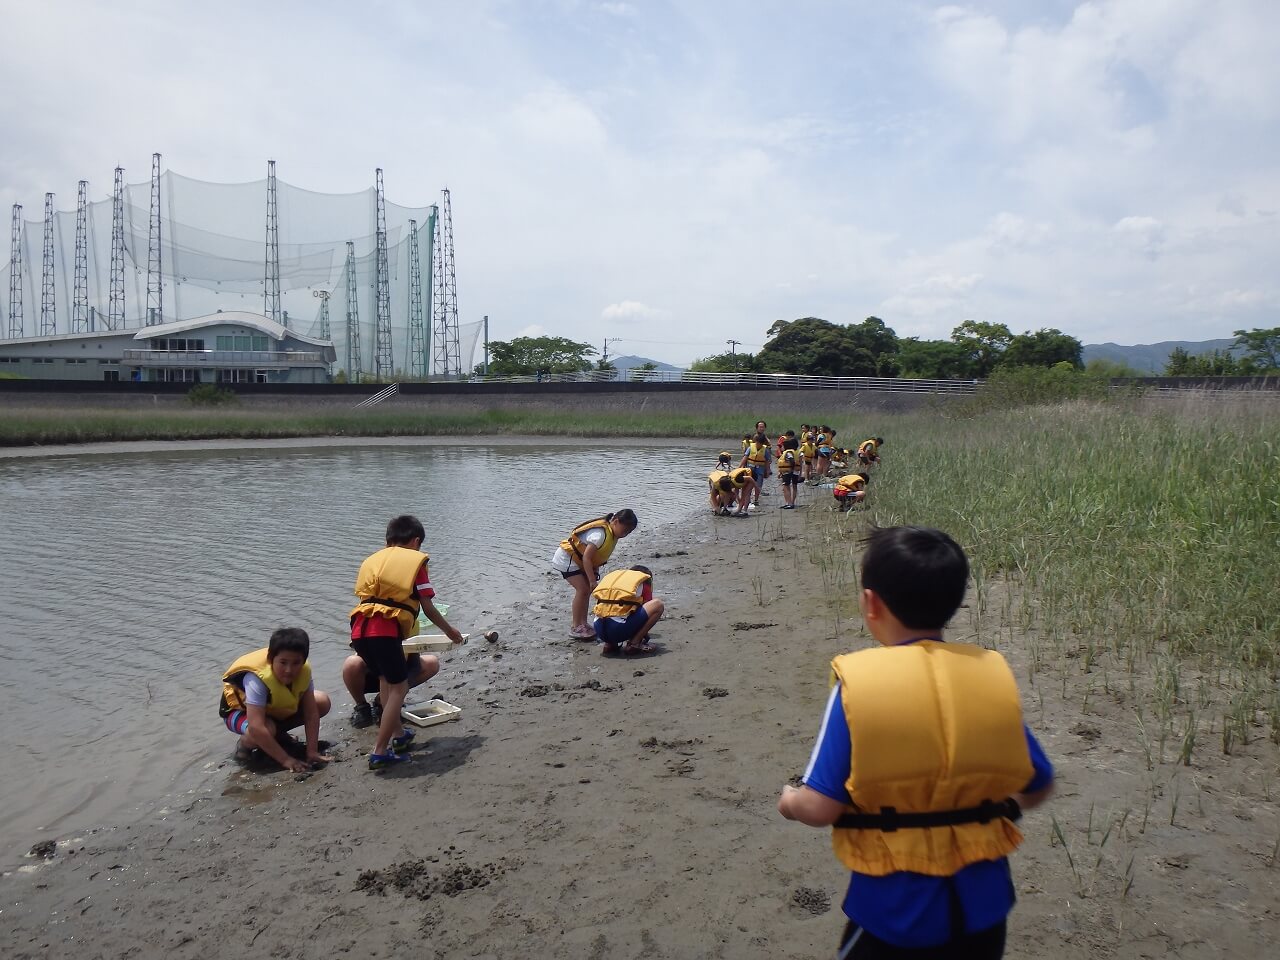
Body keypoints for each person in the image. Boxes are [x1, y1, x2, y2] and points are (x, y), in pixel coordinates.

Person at [777, 527, 1054, 958]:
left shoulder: (858, 688)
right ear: (954, 602)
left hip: (895, 914)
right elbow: (1038, 785)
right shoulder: (986, 677)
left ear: (871, 602)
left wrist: (789, 800)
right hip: (983, 910)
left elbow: (819, 807)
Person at [350, 514, 464, 770]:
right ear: (416, 541)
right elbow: (428, 608)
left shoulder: (372, 560)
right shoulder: (415, 563)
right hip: (384, 632)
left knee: (385, 681)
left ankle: (400, 737)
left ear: (387, 540)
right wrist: (450, 631)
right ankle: (379, 751)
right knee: (398, 689)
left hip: (358, 630)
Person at [219, 627, 332, 774]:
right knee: (266, 729)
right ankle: (244, 744)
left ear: (303, 661)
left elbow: (311, 714)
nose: (289, 670)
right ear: (272, 659)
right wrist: (286, 760)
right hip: (236, 713)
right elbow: (256, 727)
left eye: (296, 663)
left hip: (270, 711)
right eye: (283, 662)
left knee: (322, 702)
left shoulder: (304, 671)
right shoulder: (256, 679)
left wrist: (312, 751)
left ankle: (277, 736)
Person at [551, 510, 639, 639]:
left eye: (629, 532)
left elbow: (596, 557)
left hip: (579, 561)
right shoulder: (600, 535)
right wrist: (592, 580)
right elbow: (587, 558)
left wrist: (595, 572)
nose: (625, 534)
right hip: (566, 559)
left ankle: (583, 623)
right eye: (624, 530)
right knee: (583, 590)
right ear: (615, 522)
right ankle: (576, 626)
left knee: (585, 591)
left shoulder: (611, 535)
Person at [341, 650, 439, 728]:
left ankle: (383, 701)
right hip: (370, 674)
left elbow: (415, 664)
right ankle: (361, 707)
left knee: (432, 663)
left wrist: (402, 687)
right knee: (352, 662)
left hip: (397, 674)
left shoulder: (406, 630)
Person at [591, 564, 664, 655]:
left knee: (613, 609)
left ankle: (610, 644)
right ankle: (634, 643)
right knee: (658, 605)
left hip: (599, 630)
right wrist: (642, 634)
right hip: (618, 630)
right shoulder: (643, 583)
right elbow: (647, 612)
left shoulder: (615, 582)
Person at [740, 432, 771, 507]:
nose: (758, 444)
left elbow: (767, 461)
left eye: (759, 443)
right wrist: (740, 467)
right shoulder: (751, 447)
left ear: (762, 443)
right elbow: (745, 458)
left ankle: (756, 500)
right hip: (750, 469)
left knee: (758, 485)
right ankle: (748, 500)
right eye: (757, 442)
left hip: (760, 469)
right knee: (748, 485)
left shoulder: (765, 450)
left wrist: (767, 471)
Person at [776, 435, 802, 509]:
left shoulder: (788, 453)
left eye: (782, 446)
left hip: (788, 472)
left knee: (786, 487)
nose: (781, 448)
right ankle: (789, 502)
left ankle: (789, 503)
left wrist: (791, 469)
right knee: (790, 486)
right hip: (792, 471)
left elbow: (792, 461)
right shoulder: (793, 452)